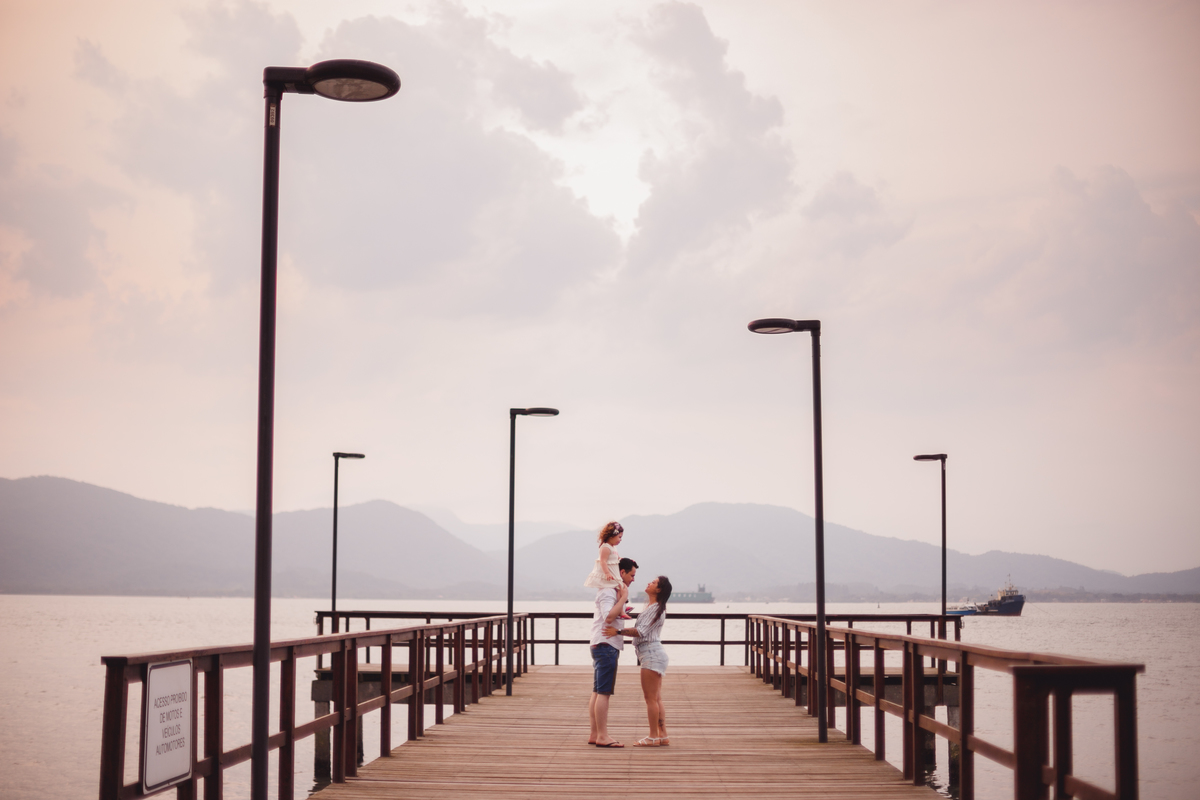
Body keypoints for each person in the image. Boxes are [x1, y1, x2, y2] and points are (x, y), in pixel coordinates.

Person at [607, 575, 673, 746]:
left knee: (650, 698)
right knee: (656, 698)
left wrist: (618, 632)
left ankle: (653, 737)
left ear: (659, 590)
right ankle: (662, 735)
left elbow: (640, 631)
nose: (649, 583)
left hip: (651, 654)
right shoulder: (653, 607)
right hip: (653, 654)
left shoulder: (655, 609)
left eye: (654, 583)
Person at [588, 556, 637, 748]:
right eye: (631, 575)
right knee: (604, 692)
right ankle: (602, 736)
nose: (633, 579)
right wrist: (623, 598)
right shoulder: (608, 591)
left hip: (602, 643)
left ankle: (595, 734)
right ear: (622, 572)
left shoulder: (612, 590)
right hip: (606, 644)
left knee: (597, 691)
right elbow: (608, 617)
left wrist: (623, 603)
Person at [584, 521, 631, 619]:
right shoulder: (605, 547)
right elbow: (603, 561)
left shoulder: (613, 548)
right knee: (620, 588)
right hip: (610, 574)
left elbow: (616, 558)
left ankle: (621, 608)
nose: (620, 540)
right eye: (619, 537)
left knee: (620, 589)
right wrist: (607, 573)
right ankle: (621, 610)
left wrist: (627, 560)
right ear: (611, 536)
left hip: (615, 574)